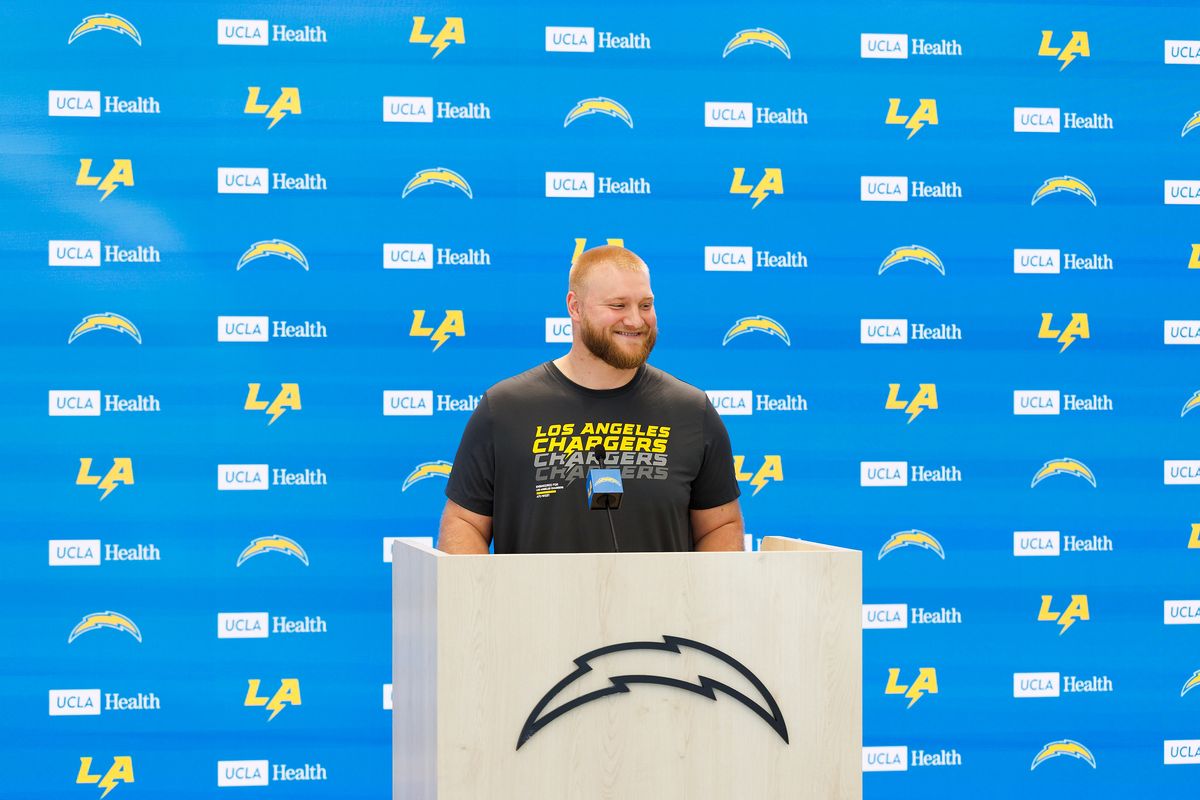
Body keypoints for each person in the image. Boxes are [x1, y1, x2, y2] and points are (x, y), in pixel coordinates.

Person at [438, 245, 745, 553]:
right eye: (618, 306)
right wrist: (481, 599)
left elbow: (720, 525)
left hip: (659, 603)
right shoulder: (505, 408)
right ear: (575, 307)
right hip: (534, 602)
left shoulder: (691, 410)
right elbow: (465, 523)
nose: (636, 321)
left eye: (646, 305)